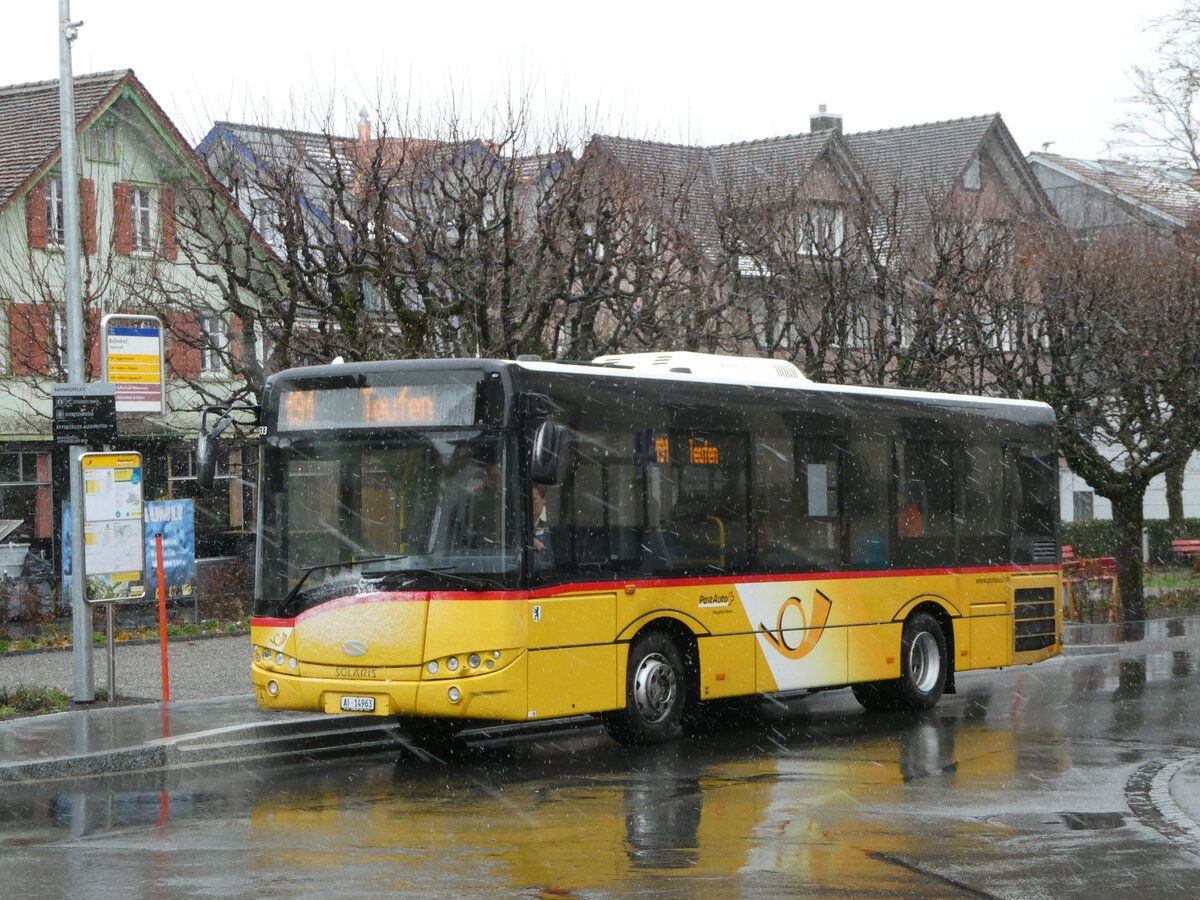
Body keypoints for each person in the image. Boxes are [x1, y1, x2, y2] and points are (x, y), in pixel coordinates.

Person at [531, 483, 554, 569]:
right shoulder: (517, 522)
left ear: (543, 500)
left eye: (533, 499)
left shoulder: (553, 522)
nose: (530, 503)